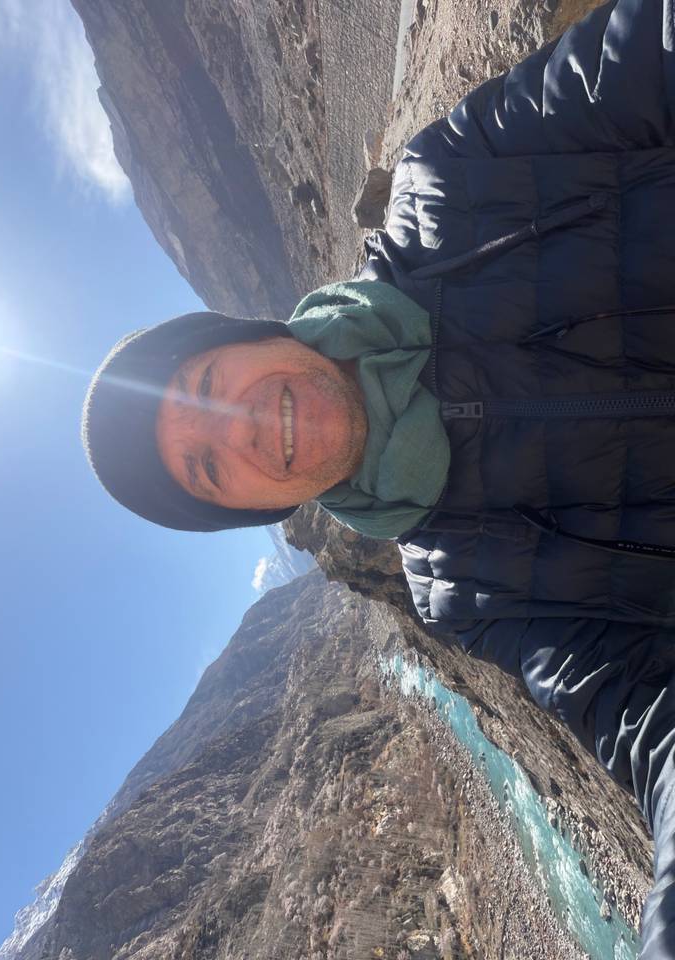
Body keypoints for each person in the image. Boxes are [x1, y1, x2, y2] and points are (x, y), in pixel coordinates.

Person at [82, 1, 675, 955]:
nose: (242, 427)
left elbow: (646, 55)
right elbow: (646, 712)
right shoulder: (471, 590)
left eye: (208, 386)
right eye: (208, 466)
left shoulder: (458, 185)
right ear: (255, 509)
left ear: (248, 336)